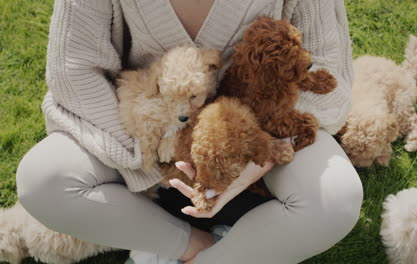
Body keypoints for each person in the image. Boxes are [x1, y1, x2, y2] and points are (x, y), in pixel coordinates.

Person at [16, 0, 363, 263]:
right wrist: (150, 156)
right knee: (42, 179)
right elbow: (74, 73)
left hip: (259, 133)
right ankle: (190, 242)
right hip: (145, 133)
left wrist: (261, 152)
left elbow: (325, 65)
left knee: (334, 200)